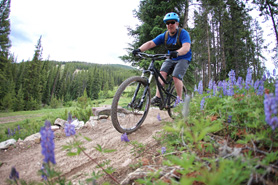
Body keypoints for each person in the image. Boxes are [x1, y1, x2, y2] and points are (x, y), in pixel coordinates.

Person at [132, 12, 192, 106]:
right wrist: (139, 49)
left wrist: (177, 52)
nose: (170, 25)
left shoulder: (183, 34)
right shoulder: (165, 35)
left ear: (177, 23)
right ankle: (158, 97)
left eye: (172, 22)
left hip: (183, 58)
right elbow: (151, 43)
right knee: (161, 74)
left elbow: (186, 48)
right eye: (167, 23)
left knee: (176, 77)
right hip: (170, 58)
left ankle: (179, 99)